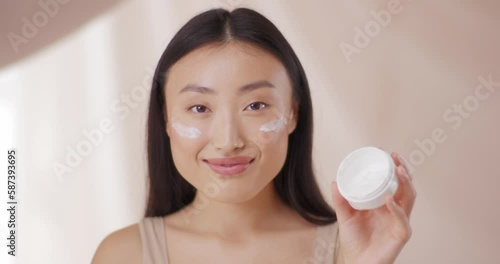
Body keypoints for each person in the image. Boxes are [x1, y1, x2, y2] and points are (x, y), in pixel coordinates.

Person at [92, 7, 416, 264]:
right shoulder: (123, 255)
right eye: (200, 108)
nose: (228, 140)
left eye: (256, 105)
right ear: (164, 118)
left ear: (293, 113)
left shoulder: (345, 248)